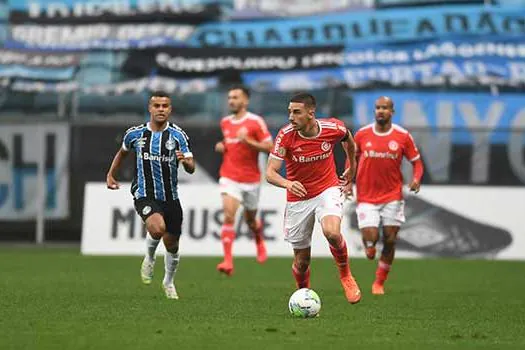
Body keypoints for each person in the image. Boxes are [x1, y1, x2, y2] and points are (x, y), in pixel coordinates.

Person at [266, 92, 361, 304]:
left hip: (327, 189)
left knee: (332, 232)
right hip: (298, 199)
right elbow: (270, 173)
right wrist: (288, 183)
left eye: (296, 112)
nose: (291, 117)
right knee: (301, 261)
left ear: (311, 113)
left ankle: (346, 275)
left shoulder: (332, 128)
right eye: (289, 112)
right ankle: (303, 295)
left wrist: (352, 167)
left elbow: (348, 140)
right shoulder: (286, 135)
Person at [106, 91, 195, 300]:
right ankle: (149, 258)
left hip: (171, 197)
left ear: (170, 109)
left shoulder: (178, 136)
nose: (161, 109)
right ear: (150, 108)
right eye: (157, 106)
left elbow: (191, 167)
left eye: (165, 106)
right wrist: (111, 174)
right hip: (144, 193)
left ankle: (169, 282)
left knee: (172, 245)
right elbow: (122, 153)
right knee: (157, 227)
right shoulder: (135, 134)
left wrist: (186, 162)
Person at [352, 96, 424, 295]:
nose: (380, 111)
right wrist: (348, 182)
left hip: (392, 195)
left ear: (392, 111)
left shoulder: (402, 136)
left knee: (391, 239)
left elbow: (416, 162)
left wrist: (416, 179)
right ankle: (369, 244)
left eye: (385, 108)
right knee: (371, 236)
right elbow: (352, 159)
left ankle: (378, 283)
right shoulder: (362, 134)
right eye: (377, 108)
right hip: (366, 195)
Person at [214, 85, 273, 276]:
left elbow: (270, 146)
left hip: (251, 179)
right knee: (229, 215)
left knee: (250, 220)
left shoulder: (255, 122)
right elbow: (229, 143)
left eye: (236, 97)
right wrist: (222, 146)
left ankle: (258, 238)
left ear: (245, 101)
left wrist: (248, 141)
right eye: (230, 97)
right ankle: (228, 261)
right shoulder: (225, 122)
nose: (231, 100)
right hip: (229, 176)